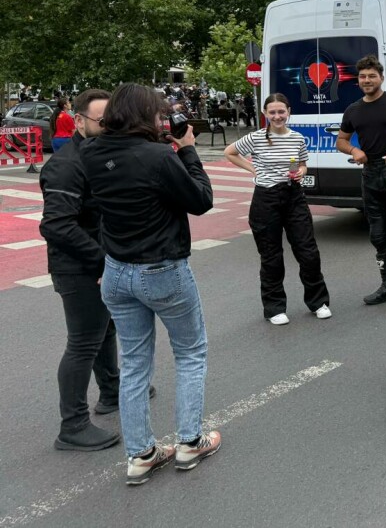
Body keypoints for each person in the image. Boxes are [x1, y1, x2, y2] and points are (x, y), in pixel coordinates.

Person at [78, 83, 220, 486]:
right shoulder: (159, 156)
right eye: (158, 114)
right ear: (145, 116)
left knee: (135, 363)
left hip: (117, 270)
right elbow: (201, 200)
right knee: (190, 352)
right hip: (162, 269)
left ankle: (141, 454)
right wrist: (188, 149)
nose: (164, 119)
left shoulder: (91, 153)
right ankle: (190, 442)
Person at [40, 89, 125, 452]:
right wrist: (101, 261)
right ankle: (72, 426)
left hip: (97, 260)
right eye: (101, 121)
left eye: (112, 121)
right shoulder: (66, 164)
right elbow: (56, 225)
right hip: (77, 266)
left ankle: (111, 392)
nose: (108, 127)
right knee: (82, 344)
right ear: (79, 120)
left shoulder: (98, 155)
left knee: (105, 328)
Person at [225, 93, 331, 325]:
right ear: (265, 114)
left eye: (281, 111)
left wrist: (302, 171)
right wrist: (252, 169)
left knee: (308, 251)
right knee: (271, 256)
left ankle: (318, 302)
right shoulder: (256, 138)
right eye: (272, 112)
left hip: (294, 196)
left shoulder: (297, 138)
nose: (277, 116)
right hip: (266, 199)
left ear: (289, 112)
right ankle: (274, 308)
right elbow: (229, 152)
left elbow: (303, 164)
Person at [336, 55, 386, 308]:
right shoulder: (353, 110)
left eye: (372, 76)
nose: (367, 80)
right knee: (379, 235)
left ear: (381, 77)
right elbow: (341, 140)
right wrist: (353, 151)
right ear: (357, 81)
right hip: (370, 174)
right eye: (362, 76)